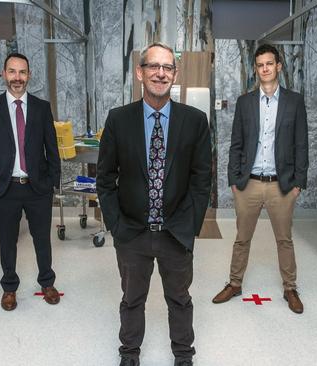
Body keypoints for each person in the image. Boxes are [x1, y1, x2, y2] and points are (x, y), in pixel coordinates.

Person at [97, 42, 211, 366]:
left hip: (176, 231)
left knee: (180, 299)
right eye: (153, 66)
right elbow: (105, 179)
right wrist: (117, 226)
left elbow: (202, 181)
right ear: (140, 72)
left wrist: (191, 225)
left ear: (175, 75)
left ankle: (184, 356)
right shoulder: (118, 120)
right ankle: (129, 354)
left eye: (167, 67)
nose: (160, 73)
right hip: (132, 232)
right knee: (132, 299)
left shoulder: (194, 121)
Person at [212, 44, 308, 315]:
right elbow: (236, 144)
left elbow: (302, 143)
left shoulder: (294, 101)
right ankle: (234, 283)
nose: (265, 68)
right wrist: (234, 179)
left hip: (282, 184)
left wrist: (298, 182)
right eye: (260, 65)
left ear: (278, 66)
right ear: (257, 69)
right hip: (249, 183)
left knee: (284, 240)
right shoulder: (245, 102)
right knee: (242, 238)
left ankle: (290, 288)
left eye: (269, 63)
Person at [0, 52, 61, 311]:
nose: (17, 77)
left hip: (38, 187)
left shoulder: (41, 107)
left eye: (22, 72)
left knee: (41, 239)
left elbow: (52, 147)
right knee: (7, 240)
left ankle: (47, 282)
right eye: (12, 72)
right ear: (4, 74)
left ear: (29, 75)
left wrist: (52, 182)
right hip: (6, 186)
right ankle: (9, 287)